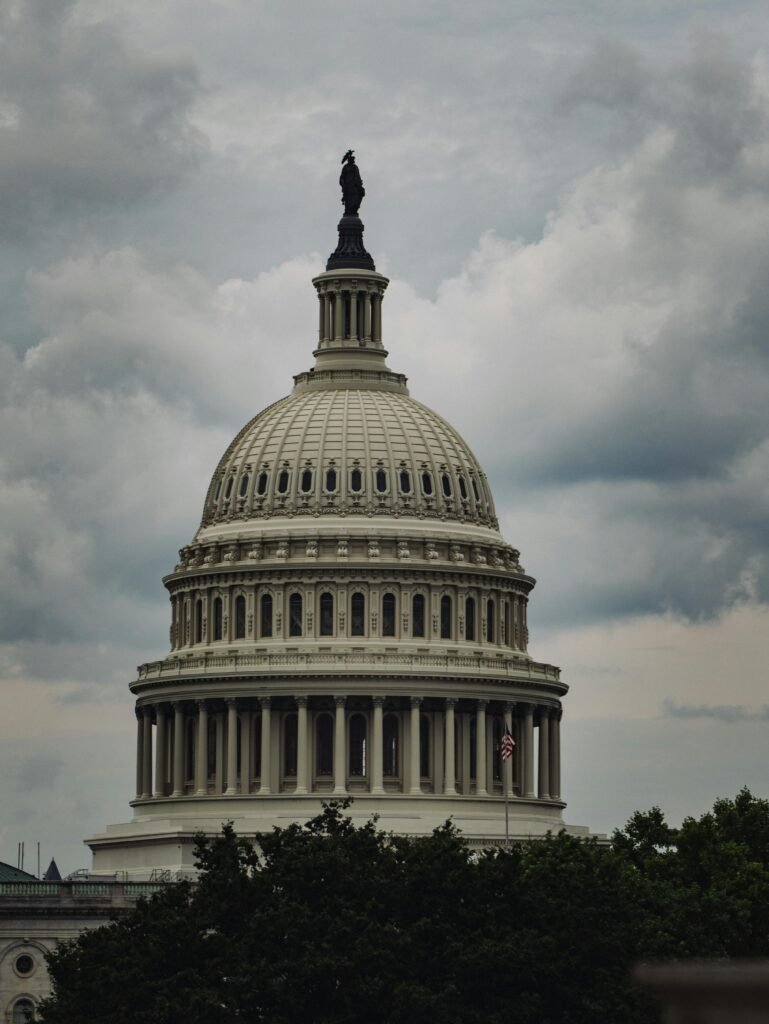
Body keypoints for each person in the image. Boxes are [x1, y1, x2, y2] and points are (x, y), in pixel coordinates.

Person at [340, 150, 365, 215]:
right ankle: (348, 210)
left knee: (357, 196)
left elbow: (358, 176)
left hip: (355, 185)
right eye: (352, 159)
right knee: (348, 199)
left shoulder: (355, 167)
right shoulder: (345, 167)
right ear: (349, 160)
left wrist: (359, 185)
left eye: (353, 160)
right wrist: (343, 184)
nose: (353, 161)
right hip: (348, 186)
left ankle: (354, 210)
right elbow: (342, 177)